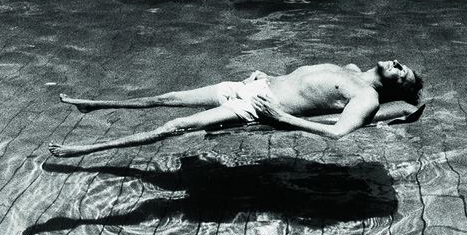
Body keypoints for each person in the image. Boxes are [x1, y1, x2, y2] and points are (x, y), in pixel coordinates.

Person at [48, 60, 423, 158]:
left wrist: (280, 118)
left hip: (258, 107)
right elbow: (306, 85)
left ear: (398, 86)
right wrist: (272, 75)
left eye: (404, 71)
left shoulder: (367, 99)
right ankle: (93, 105)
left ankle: (84, 150)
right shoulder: (353, 71)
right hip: (255, 85)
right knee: (170, 97)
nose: (398, 63)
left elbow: (339, 132)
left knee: (176, 124)